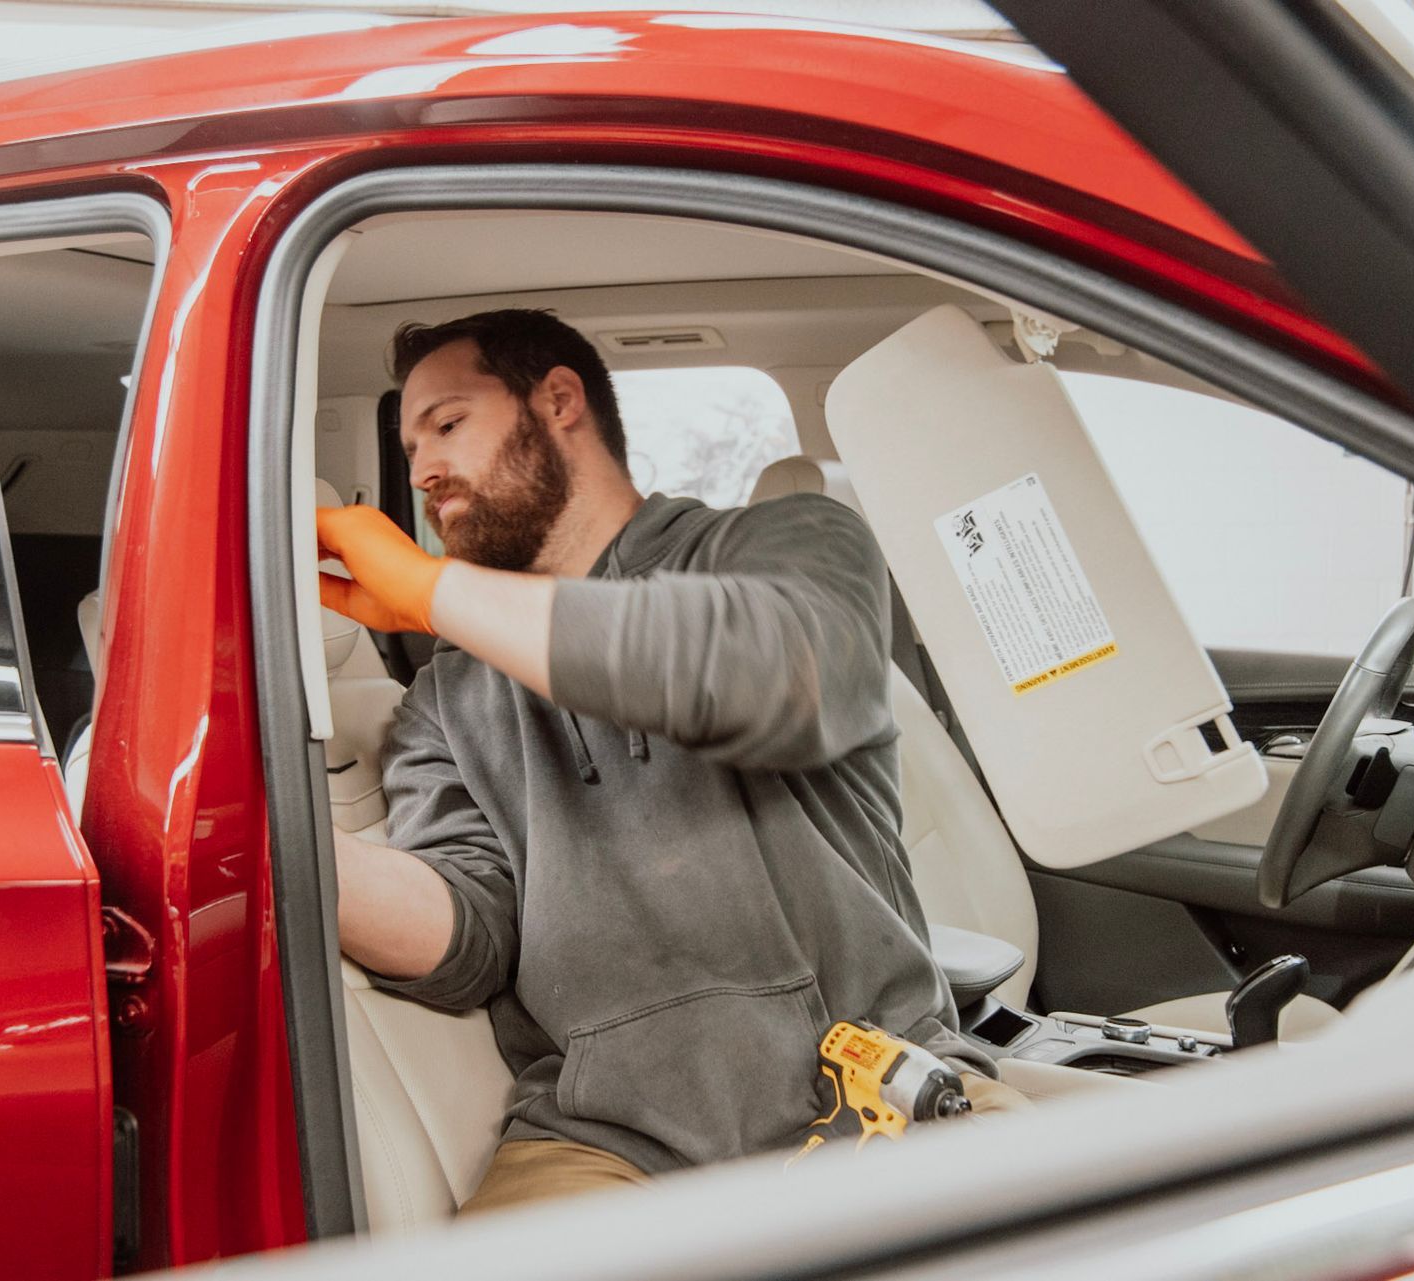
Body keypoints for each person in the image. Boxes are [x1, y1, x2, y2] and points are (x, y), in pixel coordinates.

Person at [316, 308, 1023, 1216]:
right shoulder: (447, 702)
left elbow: (769, 671)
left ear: (559, 402)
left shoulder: (788, 547)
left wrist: (431, 591)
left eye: (448, 425)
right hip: (605, 1144)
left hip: (881, 1092)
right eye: (410, 446)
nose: (421, 473)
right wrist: (290, 851)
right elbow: (470, 934)